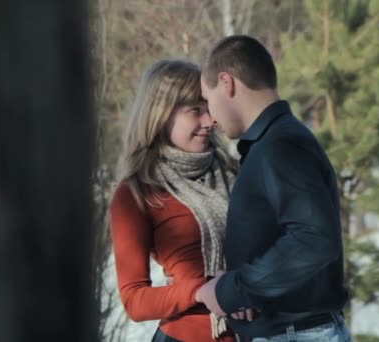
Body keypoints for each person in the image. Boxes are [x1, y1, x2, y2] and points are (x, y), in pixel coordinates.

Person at [196, 35, 351, 341]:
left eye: (208, 99)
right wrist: (243, 287)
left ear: (227, 83)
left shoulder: (279, 147)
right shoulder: (272, 144)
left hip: (297, 334)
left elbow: (313, 240)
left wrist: (234, 289)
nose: (211, 118)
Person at [109, 59, 241, 342]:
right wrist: (201, 290)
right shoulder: (136, 192)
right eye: (195, 110)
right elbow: (135, 300)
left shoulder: (234, 171)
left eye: (209, 107)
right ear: (161, 114)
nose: (210, 121)